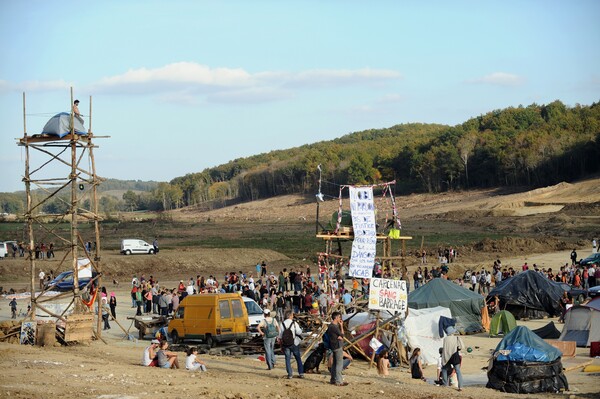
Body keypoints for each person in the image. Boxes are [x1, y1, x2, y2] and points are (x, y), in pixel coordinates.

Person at [280, 310, 304, 379]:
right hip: (294, 343)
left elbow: (280, 335)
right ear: (290, 316)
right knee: (298, 358)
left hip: (286, 344)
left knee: (287, 359)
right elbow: (299, 332)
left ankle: (290, 374)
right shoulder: (294, 323)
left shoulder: (282, 324)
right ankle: (301, 373)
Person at [327, 311, 347, 386]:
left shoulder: (331, 326)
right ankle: (339, 381)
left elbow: (340, 335)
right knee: (339, 364)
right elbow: (342, 334)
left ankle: (333, 379)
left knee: (335, 364)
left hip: (333, 346)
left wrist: (340, 336)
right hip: (337, 346)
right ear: (336, 318)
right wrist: (341, 326)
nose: (340, 319)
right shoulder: (334, 327)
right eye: (339, 317)